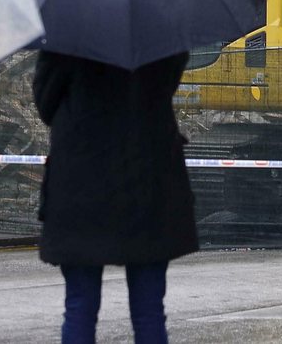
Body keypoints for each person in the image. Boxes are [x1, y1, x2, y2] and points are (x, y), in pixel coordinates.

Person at [35, 50, 199, 344]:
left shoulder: (70, 31)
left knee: (79, 308)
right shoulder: (159, 29)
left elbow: (46, 104)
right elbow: (166, 85)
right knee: (149, 310)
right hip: (148, 179)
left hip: (80, 183)